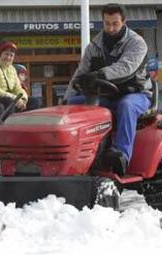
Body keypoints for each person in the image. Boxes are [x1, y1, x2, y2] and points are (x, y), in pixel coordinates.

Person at [64, 3, 152, 176]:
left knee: (126, 106)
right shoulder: (94, 46)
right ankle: (74, 154)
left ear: (124, 22)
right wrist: (67, 97)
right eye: (107, 23)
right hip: (106, 95)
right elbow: (80, 73)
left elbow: (126, 67)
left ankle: (121, 156)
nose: (110, 28)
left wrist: (99, 75)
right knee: (73, 105)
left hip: (136, 94)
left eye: (115, 23)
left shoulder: (137, 43)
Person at [0, 41, 39, 116]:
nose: (8, 57)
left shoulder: (12, 69)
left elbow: (18, 88)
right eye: (6, 54)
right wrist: (15, 99)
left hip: (12, 100)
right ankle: (8, 126)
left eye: (11, 55)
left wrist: (23, 99)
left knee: (34, 101)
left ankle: (27, 124)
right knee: (9, 101)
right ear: (0, 54)